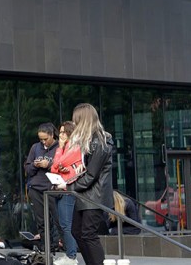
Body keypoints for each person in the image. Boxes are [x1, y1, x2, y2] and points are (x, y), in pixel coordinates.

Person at [68, 103, 113, 265]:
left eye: (76, 120)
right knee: (77, 231)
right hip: (85, 194)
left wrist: (68, 187)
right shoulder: (89, 140)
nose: (74, 124)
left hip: (95, 196)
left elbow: (92, 175)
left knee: (88, 234)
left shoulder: (100, 141)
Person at [23, 122, 61, 245]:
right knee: (41, 221)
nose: (43, 142)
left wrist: (48, 165)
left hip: (53, 188)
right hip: (36, 188)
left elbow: (63, 168)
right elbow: (28, 169)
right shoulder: (35, 147)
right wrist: (35, 164)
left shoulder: (59, 147)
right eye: (41, 139)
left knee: (59, 219)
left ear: (52, 135)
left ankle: (64, 246)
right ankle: (46, 246)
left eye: (46, 139)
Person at [49, 121, 80, 265]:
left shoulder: (75, 147)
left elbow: (58, 163)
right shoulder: (63, 148)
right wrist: (60, 156)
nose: (60, 135)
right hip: (61, 188)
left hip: (68, 189)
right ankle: (70, 254)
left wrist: (60, 149)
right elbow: (54, 168)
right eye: (60, 132)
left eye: (63, 132)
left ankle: (71, 256)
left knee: (65, 224)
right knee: (63, 223)